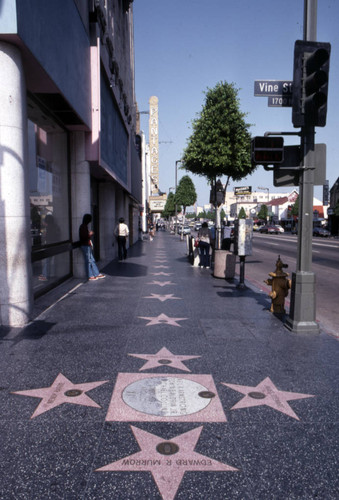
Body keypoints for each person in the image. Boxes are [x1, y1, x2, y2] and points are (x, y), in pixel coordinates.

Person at [79, 214, 105, 281]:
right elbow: (84, 236)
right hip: (85, 245)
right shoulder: (83, 227)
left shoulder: (84, 226)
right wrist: (89, 234)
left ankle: (96, 273)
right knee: (88, 260)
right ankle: (90, 275)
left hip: (86, 245)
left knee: (91, 260)